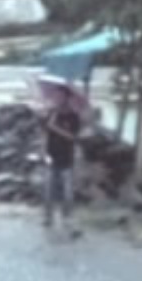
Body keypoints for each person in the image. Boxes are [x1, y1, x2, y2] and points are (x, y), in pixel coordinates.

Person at [43, 85, 83, 230]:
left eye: (60, 96)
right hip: (51, 157)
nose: (57, 99)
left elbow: (73, 137)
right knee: (48, 191)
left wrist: (56, 128)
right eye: (55, 97)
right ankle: (48, 217)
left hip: (67, 159)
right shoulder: (51, 114)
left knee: (67, 193)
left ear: (67, 98)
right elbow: (45, 134)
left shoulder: (73, 117)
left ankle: (67, 218)